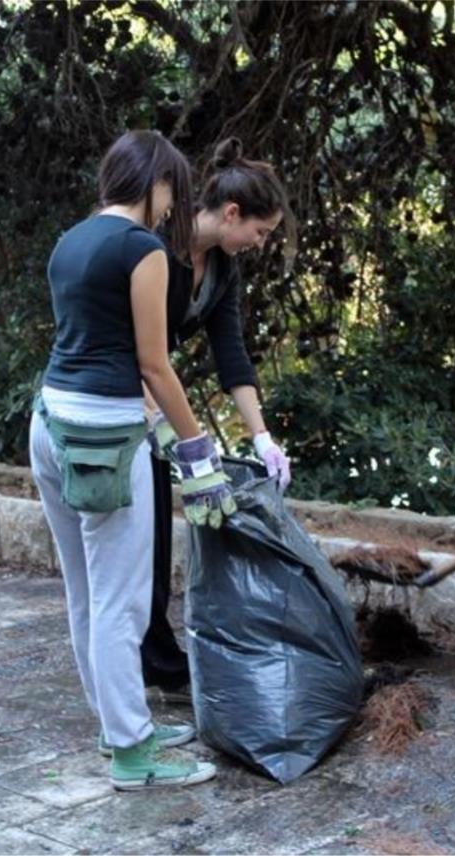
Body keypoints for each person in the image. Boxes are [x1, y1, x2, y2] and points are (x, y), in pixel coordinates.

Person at [29, 129, 235, 791]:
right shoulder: (142, 250)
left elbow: (84, 338)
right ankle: (133, 754)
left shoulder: (73, 239)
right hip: (107, 438)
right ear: (152, 182)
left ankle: (117, 722)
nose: (173, 205)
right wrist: (198, 451)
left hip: (50, 423)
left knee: (86, 593)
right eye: (171, 187)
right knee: (121, 603)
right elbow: (154, 364)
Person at [139, 138, 293, 703]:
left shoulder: (222, 270)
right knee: (142, 536)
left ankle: (155, 658)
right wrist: (173, 430)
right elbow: (135, 347)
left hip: (156, 396)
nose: (261, 243)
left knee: (158, 534)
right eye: (260, 230)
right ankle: (147, 659)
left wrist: (262, 435)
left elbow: (232, 354)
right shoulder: (156, 244)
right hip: (126, 394)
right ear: (232, 213)